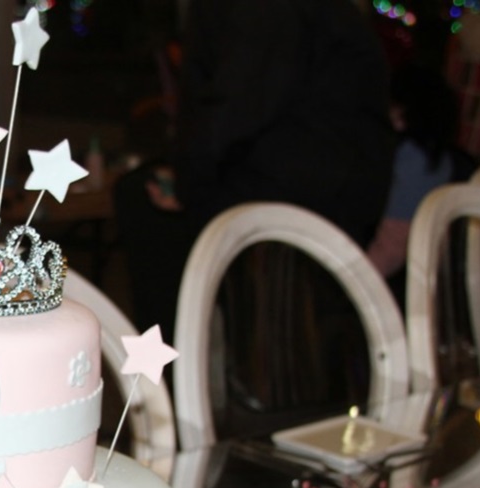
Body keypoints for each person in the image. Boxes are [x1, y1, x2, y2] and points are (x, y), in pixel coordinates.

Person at [115, 0, 395, 345]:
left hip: (301, 196)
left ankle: (179, 368)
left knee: (144, 203)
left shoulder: (265, 11)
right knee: (148, 194)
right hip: (327, 180)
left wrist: (187, 180)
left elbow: (238, 103)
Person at [367, 63, 472, 306]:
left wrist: (353, 280)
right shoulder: (436, 156)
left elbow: (393, 245)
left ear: (402, 114)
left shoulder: (415, 163)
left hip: (406, 284)